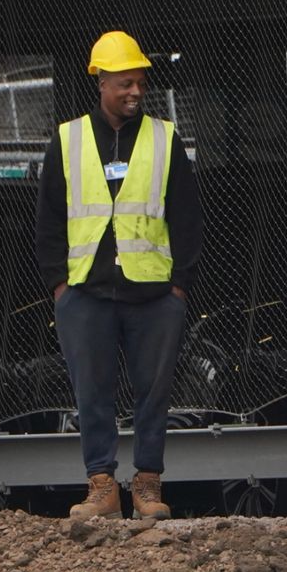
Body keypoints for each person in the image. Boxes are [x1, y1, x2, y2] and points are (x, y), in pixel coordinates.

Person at [34, 30, 204, 522]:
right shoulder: (67, 140)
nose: (135, 91)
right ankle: (102, 487)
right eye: (126, 83)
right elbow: (48, 218)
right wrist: (60, 285)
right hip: (85, 291)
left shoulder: (164, 138)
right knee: (92, 392)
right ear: (102, 82)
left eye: (140, 83)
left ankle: (148, 485)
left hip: (154, 293)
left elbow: (187, 217)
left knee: (155, 392)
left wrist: (179, 285)